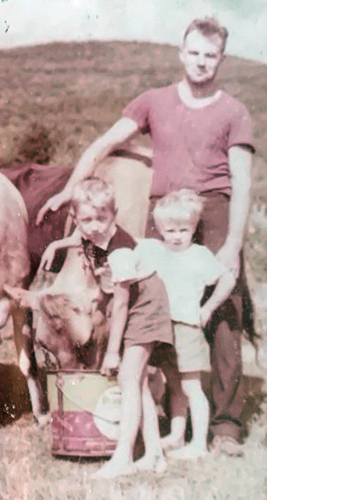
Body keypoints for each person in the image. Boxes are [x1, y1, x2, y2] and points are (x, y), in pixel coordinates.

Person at [37, 16, 254, 456]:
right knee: (157, 307)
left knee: (224, 312)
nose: (200, 62)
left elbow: (243, 181)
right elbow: (102, 144)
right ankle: (164, 413)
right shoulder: (154, 101)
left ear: (221, 59)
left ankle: (226, 424)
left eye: (209, 55)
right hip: (164, 210)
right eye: (193, 53)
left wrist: (232, 243)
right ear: (181, 53)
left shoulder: (234, 111)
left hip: (212, 210)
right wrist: (68, 189)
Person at [39, 178, 173, 479]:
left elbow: (124, 303)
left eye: (102, 218)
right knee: (136, 383)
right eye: (86, 220)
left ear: (115, 215)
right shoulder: (89, 234)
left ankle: (123, 456)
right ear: (76, 219)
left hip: (145, 305)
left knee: (127, 377)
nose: (95, 226)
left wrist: (112, 352)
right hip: (133, 304)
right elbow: (81, 240)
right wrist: (57, 244)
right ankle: (153, 454)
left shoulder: (120, 252)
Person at [139, 190, 235, 459]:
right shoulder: (156, 251)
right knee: (175, 385)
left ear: (194, 228)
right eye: (170, 230)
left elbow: (226, 280)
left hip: (188, 328)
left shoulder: (199, 255)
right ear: (159, 229)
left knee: (192, 387)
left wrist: (208, 307)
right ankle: (177, 435)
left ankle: (199, 445)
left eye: (184, 229)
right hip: (162, 327)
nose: (177, 236)